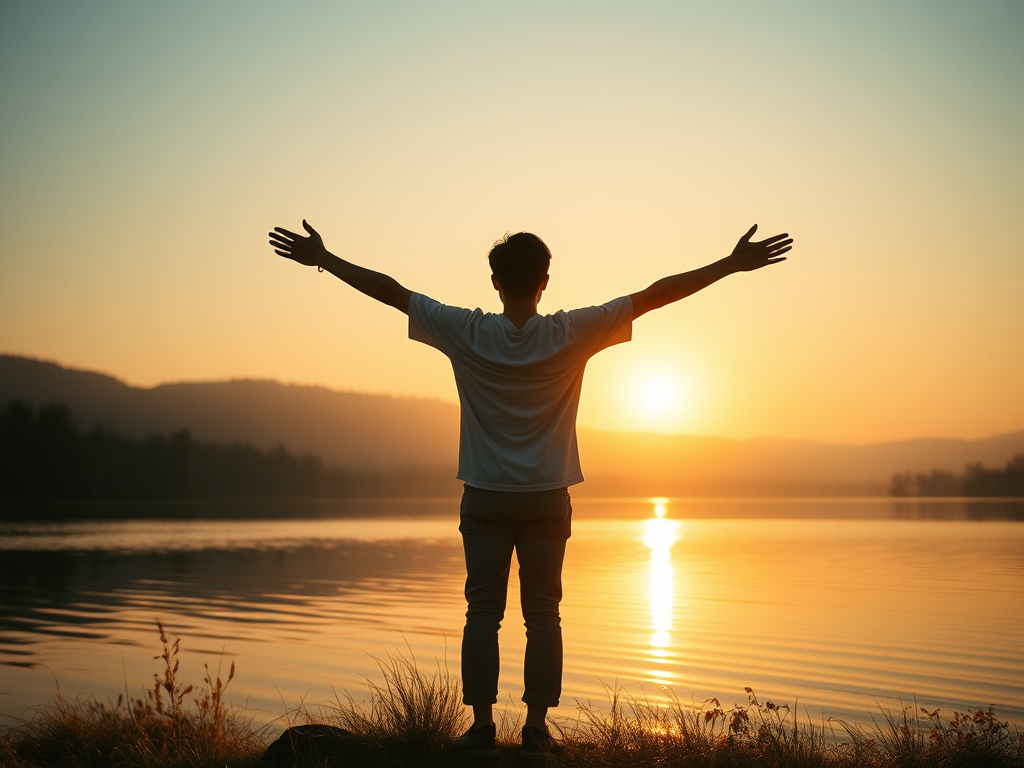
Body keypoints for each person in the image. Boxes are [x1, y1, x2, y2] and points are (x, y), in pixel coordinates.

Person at [268, 221, 793, 757]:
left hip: (486, 497)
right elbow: (655, 295)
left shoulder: (465, 331)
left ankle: (480, 730)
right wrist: (728, 265)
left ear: (495, 281)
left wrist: (326, 258)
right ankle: (537, 730)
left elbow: (391, 291)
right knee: (543, 613)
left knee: (482, 613)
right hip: (547, 497)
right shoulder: (572, 331)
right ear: (545, 281)